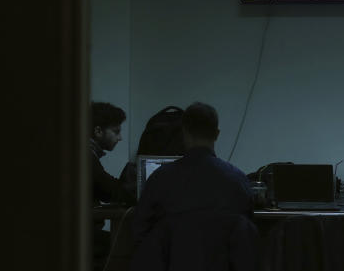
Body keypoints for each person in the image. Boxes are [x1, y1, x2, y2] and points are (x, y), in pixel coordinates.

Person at [132, 102, 254, 253]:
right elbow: (246, 236)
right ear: (217, 134)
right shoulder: (238, 180)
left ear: (184, 132)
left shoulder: (159, 178)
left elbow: (140, 232)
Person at [90, 101, 136, 206]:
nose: (120, 138)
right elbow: (109, 192)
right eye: (116, 131)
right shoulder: (86, 157)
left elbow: (104, 191)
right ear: (98, 131)